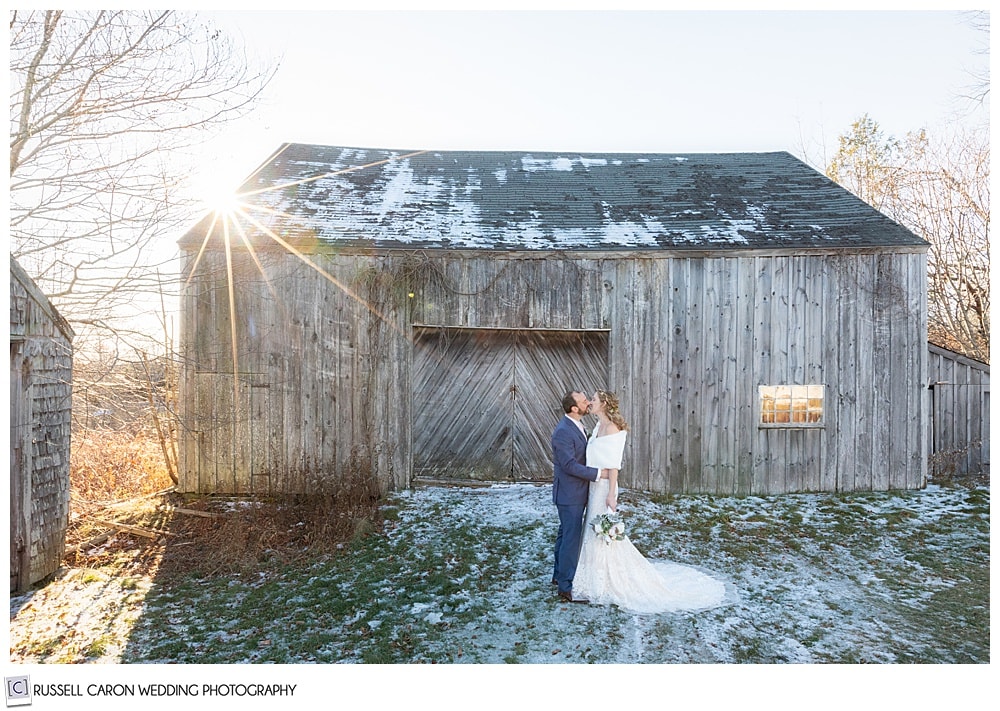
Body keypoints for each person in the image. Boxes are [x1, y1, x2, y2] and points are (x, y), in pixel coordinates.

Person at [572, 390, 728, 614]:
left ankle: (604, 578)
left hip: (605, 487)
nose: (591, 403)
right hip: (593, 485)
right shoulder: (597, 428)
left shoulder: (613, 429)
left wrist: (610, 494)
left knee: (601, 530)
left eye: (594, 400)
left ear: (604, 404)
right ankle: (591, 574)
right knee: (591, 530)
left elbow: (614, 465)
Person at [551, 390, 609, 604]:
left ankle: (559, 576)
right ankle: (566, 588)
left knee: (565, 535)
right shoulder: (562, 432)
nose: (587, 403)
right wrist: (597, 474)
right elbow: (569, 465)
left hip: (576, 491)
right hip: (569, 493)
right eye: (584, 401)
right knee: (570, 539)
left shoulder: (578, 426)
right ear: (574, 408)